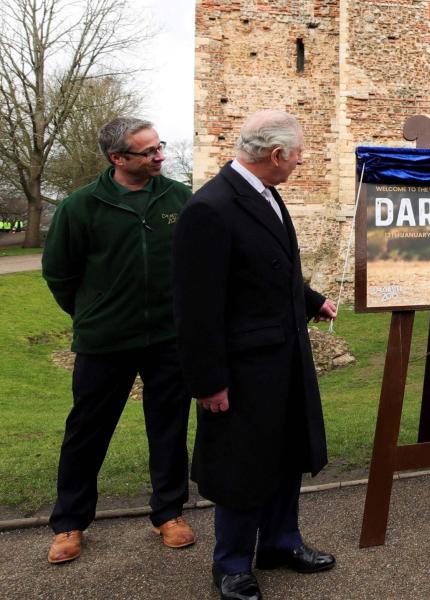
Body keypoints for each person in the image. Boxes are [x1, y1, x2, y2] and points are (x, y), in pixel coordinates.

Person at [173, 110, 338, 600]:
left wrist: (312, 301)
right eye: (299, 154)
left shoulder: (266, 194)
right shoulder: (211, 207)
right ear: (275, 155)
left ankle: (281, 543)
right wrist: (207, 382)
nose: (301, 162)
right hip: (243, 369)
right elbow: (194, 308)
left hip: (284, 356)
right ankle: (232, 564)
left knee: (286, 454)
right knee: (243, 467)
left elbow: (275, 269)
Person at [41, 117, 195, 564]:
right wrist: (93, 312)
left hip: (167, 336)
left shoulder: (179, 199)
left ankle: (169, 513)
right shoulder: (81, 206)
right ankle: (69, 522)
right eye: (148, 152)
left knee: (168, 427)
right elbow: (59, 273)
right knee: (87, 431)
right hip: (105, 340)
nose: (159, 156)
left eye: (159, 147)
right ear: (118, 158)